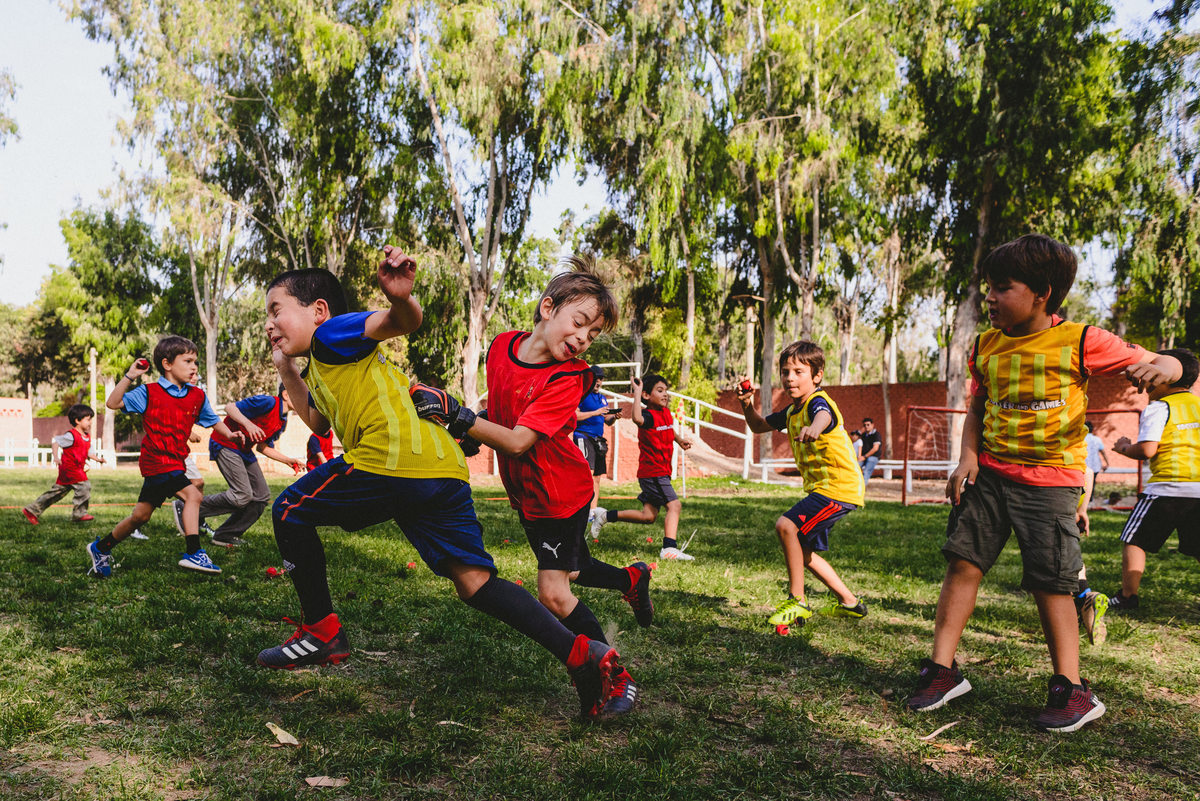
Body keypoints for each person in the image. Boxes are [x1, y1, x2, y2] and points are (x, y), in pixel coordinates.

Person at [258, 254, 635, 721]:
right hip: (440, 466)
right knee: (475, 583)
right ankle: (584, 657)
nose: (270, 323)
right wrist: (288, 371)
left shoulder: (332, 333)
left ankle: (322, 632)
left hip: (392, 460)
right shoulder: (321, 362)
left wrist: (401, 299)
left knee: (290, 511)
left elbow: (400, 321)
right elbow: (316, 422)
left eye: (276, 310)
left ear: (318, 310)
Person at [904, 234, 1181, 733]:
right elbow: (978, 406)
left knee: (1052, 583)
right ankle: (943, 671)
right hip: (990, 475)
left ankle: (1071, 689)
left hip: (1051, 483)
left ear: (1042, 293)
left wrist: (1160, 365)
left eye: (1001, 288)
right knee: (963, 563)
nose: (988, 297)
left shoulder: (1081, 339)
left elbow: (1171, 363)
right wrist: (968, 457)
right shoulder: (986, 344)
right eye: (986, 287)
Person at [412, 256, 647, 716]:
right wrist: (465, 431)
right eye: (579, 323)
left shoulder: (569, 377)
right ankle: (631, 578)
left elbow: (519, 441)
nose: (582, 339)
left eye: (593, 334)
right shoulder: (500, 347)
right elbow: (499, 418)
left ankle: (611, 671)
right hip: (530, 496)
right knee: (571, 569)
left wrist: (456, 414)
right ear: (547, 308)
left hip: (558, 495)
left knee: (554, 592)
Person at [86, 337, 245, 578]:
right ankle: (194, 551)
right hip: (156, 460)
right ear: (167, 364)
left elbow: (213, 420)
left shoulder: (197, 396)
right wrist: (130, 375)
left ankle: (100, 548)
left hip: (176, 461)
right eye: (188, 361)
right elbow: (113, 402)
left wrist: (231, 435)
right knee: (192, 494)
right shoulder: (149, 392)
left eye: (196, 362)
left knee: (141, 516)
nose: (194, 367)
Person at [735, 344, 868, 628]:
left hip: (838, 488)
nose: (790, 378)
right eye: (785, 372)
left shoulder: (818, 403)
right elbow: (758, 426)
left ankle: (798, 601)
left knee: (786, 526)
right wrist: (747, 404)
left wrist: (815, 429)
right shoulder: (792, 411)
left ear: (817, 375)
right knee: (803, 552)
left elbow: (824, 416)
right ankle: (851, 603)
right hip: (825, 489)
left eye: (798, 372)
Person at [1107, 348, 1200, 613]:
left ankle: (1127, 597)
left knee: (1134, 540)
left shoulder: (1160, 407)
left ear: (1164, 377)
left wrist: (1124, 448)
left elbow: (1148, 449)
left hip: (1166, 489)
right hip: (1199, 490)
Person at [174, 387, 303, 547]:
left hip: (244, 450)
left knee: (261, 496)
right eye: (300, 394)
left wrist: (287, 460)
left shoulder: (281, 421)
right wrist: (248, 425)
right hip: (225, 443)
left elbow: (262, 447)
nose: (304, 399)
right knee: (242, 494)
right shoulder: (268, 402)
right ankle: (187, 507)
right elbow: (230, 408)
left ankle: (225, 535)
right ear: (285, 394)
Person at [588, 373, 695, 559]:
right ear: (646, 395)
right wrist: (636, 393)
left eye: (666, 391)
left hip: (661, 472)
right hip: (653, 472)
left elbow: (668, 429)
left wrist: (679, 440)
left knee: (648, 516)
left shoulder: (666, 414)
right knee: (675, 505)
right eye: (659, 391)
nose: (665, 395)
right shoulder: (647, 416)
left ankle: (606, 516)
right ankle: (669, 548)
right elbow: (637, 419)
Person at [22, 404, 105, 524]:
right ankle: (79, 514)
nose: (90, 422)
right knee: (84, 486)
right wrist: (56, 457)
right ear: (77, 420)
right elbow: (56, 442)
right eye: (88, 419)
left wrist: (98, 459)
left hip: (76, 470)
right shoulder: (71, 435)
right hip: (70, 469)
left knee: (56, 493)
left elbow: (89, 452)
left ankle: (31, 510)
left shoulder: (87, 437)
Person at [573, 365, 620, 509]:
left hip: (598, 440)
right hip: (583, 436)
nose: (598, 381)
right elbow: (574, 415)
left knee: (597, 477)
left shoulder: (602, 398)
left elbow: (607, 420)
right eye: (595, 378)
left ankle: (592, 511)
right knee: (586, 474)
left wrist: (614, 417)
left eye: (601, 378)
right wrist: (595, 412)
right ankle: (580, 508)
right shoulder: (580, 394)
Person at [1082, 421, 1109, 510]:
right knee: (1091, 484)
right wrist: (1107, 463)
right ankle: (1090, 501)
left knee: (1081, 484)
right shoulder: (1097, 439)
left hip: (1083, 466)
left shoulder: (1081, 439)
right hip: (1095, 466)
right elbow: (1103, 452)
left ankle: (1081, 503)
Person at [859, 418, 882, 484]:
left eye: (868, 425)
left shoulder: (876, 434)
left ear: (872, 425)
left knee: (866, 471)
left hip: (873, 456)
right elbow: (854, 438)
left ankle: (862, 489)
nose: (866, 426)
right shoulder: (863, 435)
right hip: (863, 457)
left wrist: (865, 456)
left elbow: (875, 448)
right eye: (864, 425)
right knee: (855, 467)